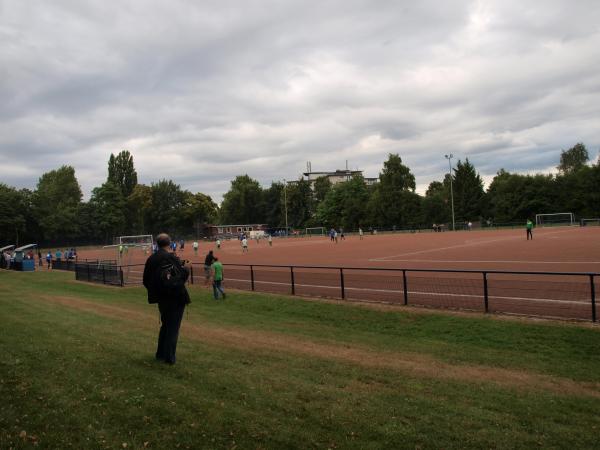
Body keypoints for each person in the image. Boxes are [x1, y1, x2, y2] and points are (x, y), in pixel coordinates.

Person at [142, 233, 190, 365]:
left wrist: (158, 292)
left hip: (161, 299)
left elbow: (146, 280)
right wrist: (186, 270)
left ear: (157, 243)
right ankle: (169, 357)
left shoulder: (151, 259)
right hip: (175, 298)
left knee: (165, 326)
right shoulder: (170, 257)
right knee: (173, 328)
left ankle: (160, 354)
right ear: (169, 243)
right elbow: (179, 278)